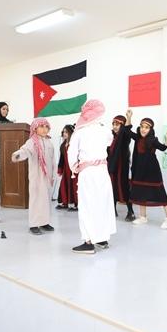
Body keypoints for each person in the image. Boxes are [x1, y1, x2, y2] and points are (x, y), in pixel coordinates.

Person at [67, 100, 116, 254]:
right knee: (102, 204)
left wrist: (75, 168)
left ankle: (88, 242)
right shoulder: (105, 130)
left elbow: (71, 153)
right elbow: (109, 142)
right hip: (102, 171)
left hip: (88, 172)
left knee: (87, 206)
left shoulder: (79, 132)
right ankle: (101, 238)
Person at [124, 110, 167, 229]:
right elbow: (127, 131)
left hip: (152, 171)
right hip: (140, 170)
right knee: (141, 192)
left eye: (146, 127)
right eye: (142, 127)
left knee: (160, 193)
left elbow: (163, 148)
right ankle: (143, 216)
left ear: (150, 129)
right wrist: (129, 117)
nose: (143, 129)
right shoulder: (137, 138)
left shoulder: (153, 140)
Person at [11, 118, 56, 235]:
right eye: (41, 127)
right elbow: (25, 150)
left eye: (46, 127)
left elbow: (53, 160)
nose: (44, 129)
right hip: (36, 176)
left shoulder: (49, 142)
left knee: (46, 200)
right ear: (35, 129)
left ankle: (44, 222)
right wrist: (18, 155)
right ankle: (34, 224)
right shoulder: (32, 142)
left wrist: (54, 174)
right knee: (36, 199)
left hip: (47, 177)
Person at [108, 114, 135, 221]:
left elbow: (127, 129)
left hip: (122, 166)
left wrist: (129, 117)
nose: (115, 127)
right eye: (113, 124)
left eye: (117, 124)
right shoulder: (111, 136)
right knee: (112, 187)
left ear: (122, 125)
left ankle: (130, 212)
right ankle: (112, 210)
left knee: (124, 187)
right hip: (111, 166)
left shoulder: (124, 135)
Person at [56, 124, 78, 211]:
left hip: (74, 168)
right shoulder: (63, 145)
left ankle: (76, 204)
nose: (64, 134)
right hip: (66, 169)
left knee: (74, 186)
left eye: (66, 132)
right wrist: (60, 168)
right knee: (64, 185)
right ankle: (64, 202)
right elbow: (62, 158)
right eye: (63, 132)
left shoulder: (74, 144)